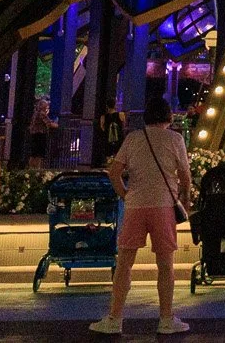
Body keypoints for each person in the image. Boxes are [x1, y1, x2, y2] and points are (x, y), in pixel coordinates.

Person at [94, 95, 193, 336]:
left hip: (135, 206)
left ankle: (114, 319)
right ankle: (166, 319)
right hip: (163, 207)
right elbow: (185, 176)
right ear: (169, 117)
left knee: (125, 264)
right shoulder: (176, 139)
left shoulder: (133, 138)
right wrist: (186, 201)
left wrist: (126, 195)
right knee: (165, 265)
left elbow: (114, 171)